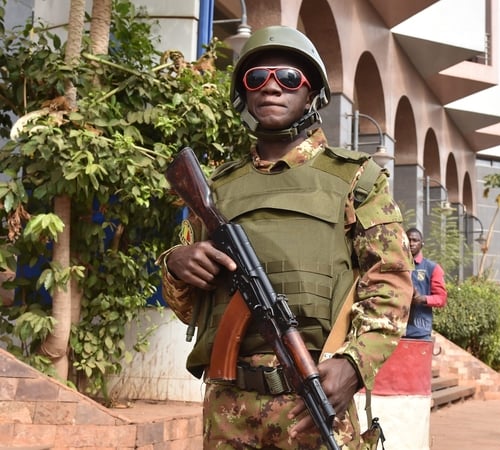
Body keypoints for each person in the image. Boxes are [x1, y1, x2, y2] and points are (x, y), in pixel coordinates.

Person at [158, 25, 413, 449]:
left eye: (288, 77)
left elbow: (391, 281)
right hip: (229, 406)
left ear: (310, 92)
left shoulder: (357, 179)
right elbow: (187, 309)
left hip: (314, 395)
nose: (272, 87)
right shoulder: (216, 189)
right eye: (256, 78)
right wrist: (177, 265)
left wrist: (355, 364)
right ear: (244, 93)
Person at [402, 228, 448, 340]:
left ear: (422, 244)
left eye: (415, 240)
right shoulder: (396, 266)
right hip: (394, 330)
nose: (411, 243)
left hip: (420, 332)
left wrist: (422, 299)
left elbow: (441, 298)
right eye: (408, 240)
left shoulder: (432, 268)